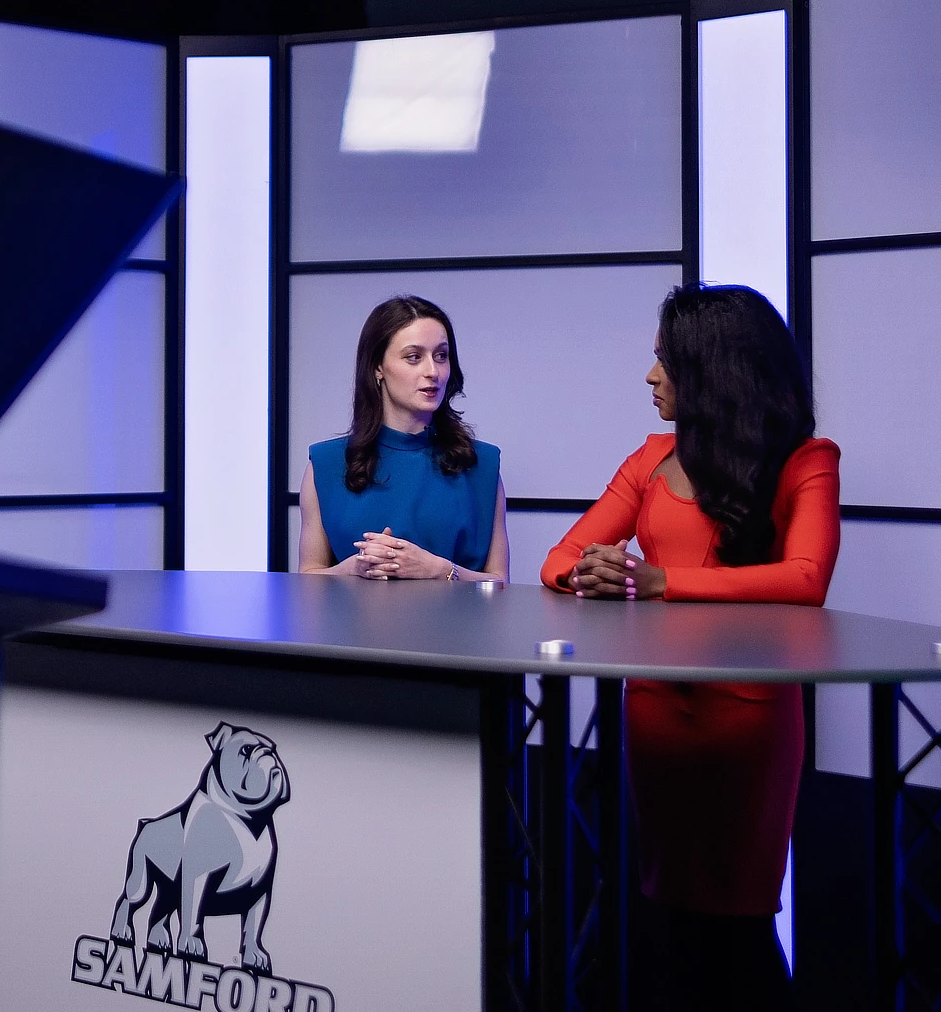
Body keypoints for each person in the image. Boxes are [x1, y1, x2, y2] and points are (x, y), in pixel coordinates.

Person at [541, 283, 838, 1009]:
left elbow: (805, 579)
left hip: (749, 722)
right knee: (665, 921)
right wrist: (595, 569)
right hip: (655, 716)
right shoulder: (648, 460)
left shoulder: (806, 460)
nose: (650, 379)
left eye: (664, 363)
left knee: (737, 928)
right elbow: (557, 561)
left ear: (712, 372)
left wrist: (666, 581)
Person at [297, 295, 508, 581]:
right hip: (350, 626)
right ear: (378, 368)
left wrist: (441, 570)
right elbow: (307, 581)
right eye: (414, 357)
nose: (432, 372)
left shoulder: (480, 465)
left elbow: (500, 585)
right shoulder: (327, 464)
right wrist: (354, 568)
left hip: (457, 626)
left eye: (441, 356)